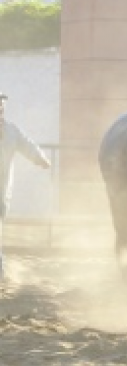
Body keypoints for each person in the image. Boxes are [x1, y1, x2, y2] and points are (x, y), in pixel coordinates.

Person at [0, 92, 52, 280]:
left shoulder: (11, 132)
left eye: (1, 108)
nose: (0, 111)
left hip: (3, 190)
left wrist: (40, 159)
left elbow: (27, 145)